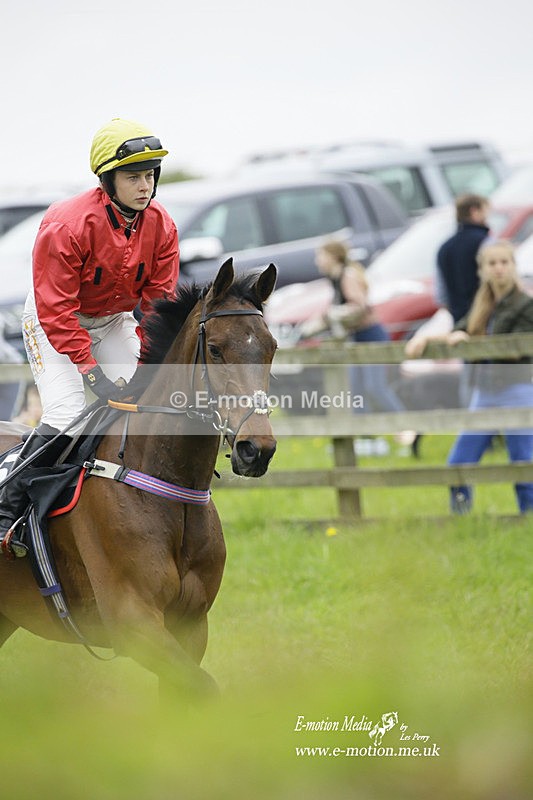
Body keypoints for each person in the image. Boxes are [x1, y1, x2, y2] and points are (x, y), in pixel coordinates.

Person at [0, 117, 179, 556]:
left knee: (145, 401)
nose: (145, 186)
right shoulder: (66, 224)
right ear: (107, 180)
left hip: (113, 320)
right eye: (133, 177)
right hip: (54, 321)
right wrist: (91, 371)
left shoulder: (162, 225)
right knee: (67, 414)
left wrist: (149, 366)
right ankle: (6, 504)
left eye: (150, 175)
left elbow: (157, 307)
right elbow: (57, 311)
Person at [406, 240, 533, 514]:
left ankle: (528, 518)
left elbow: (514, 348)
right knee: (459, 463)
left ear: (513, 266)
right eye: (492, 263)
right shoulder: (482, 305)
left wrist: (472, 341)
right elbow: (459, 330)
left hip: (517, 389)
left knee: (523, 463)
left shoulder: (526, 304)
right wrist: (427, 338)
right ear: (482, 270)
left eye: (504, 262)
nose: (498, 268)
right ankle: (462, 516)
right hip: (485, 392)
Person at [314, 241, 408, 418]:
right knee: (355, 391)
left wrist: (335, 314)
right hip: (356, 338)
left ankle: (408, 425)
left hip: (371, 336)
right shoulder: (335, 278)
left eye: (321, 256)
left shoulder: (347, 275)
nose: (317, 261)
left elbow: (359, 306)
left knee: (376, 387)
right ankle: (365, 433)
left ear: (334, 257)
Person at [435, 193, 491, 324]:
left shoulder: (444, 248)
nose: (487, 216)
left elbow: (441, 296)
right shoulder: (486, 243)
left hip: (459, 322)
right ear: (474, 211)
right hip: (488, 318)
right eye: (485, 211)